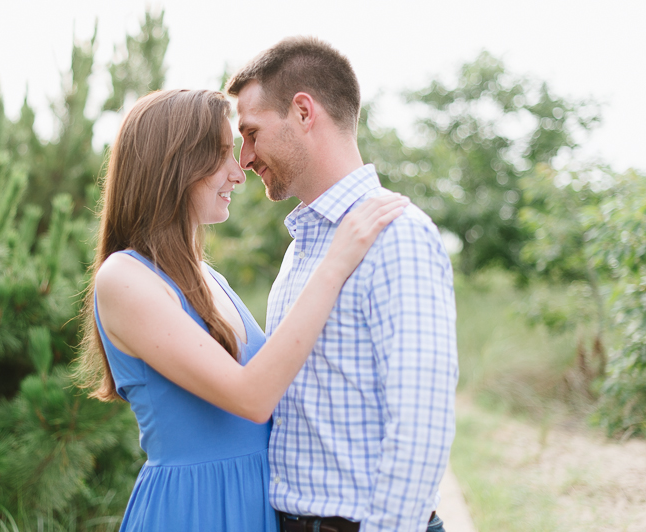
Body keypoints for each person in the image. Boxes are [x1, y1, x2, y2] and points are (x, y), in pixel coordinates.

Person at [77, 89, 409, 532]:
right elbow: (251, 397)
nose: (239, 172)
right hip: (195, 511)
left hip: (257, 504)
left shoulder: (209, 278)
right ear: (174, 164)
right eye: (221, 155)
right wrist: (335, 264)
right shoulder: (124, 277)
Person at [225, 37, 459, 532]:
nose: (244, 157)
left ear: (303, 112)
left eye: (251, 132)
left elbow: (421, 425)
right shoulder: (299, 251)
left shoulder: (397, 236)